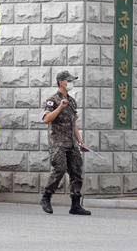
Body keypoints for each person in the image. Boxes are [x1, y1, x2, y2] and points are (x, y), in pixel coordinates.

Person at [39, 70, 91, 215]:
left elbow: (74, 123)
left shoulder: (72, 101)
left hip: (71, 142)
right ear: (61, 82)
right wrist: (60, 107)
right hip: (57, 143)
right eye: (69, 80)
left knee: (76, 171)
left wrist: (80, 142)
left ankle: (75, 204)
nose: (71, 83)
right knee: (60, 169)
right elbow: (46, 119)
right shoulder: (53, 100)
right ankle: (46, 197)